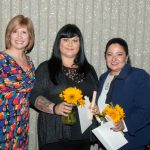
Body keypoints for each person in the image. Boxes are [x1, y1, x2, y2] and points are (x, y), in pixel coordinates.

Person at [29, 24, 98, 150]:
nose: (70, 44)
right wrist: (54, 108)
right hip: (54, 135)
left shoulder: (89, 70)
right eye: (65, 40)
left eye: (75, 40)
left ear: (80, 44)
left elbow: (95, 97)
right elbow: (33, 96)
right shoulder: (46, 68)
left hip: (83, 135)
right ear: (58, 43)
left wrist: (95, 108)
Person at [94, 37, 150, 150]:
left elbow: (146, 109)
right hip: (107, 141)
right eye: (110, 54)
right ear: (105, 57)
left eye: (119, 54)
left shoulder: (139, 76)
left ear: (126, 57)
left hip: (131, 143)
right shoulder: (103, 77)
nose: (114, 59)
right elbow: (105, 108)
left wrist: (125, 124)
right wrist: (97, 112)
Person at [0, 15, 35, 149]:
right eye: (15, 32)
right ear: (9, 35)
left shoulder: (29, 61)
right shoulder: (1, 59)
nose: (19, 37)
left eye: (24, 32)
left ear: (30, 37)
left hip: (21, 123)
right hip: (3, 124)